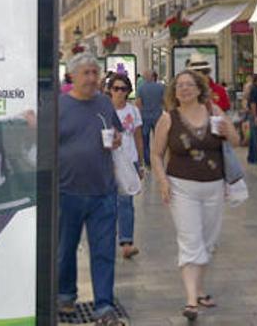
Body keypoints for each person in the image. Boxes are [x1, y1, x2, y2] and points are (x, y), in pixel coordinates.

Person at [151, 70, 240, 321]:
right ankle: (191, 300)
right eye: (179, 86)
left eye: (189, 85)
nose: (184, 89)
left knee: (208, 241)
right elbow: (156, 154)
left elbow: (237, 140)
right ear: (174, 91)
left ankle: (199, 289)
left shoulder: (215, 112)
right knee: (191, 239)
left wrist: (227, 132)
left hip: (213, 186)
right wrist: (162, 181)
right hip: (182, 187)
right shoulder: (168, 119)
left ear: (200, 89)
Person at [58, 53, 124, 325]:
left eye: (95, 73)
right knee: (65, 249)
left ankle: (104, 306)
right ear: (72, 76)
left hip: (103, 192)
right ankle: (64, 296)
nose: (92, 78)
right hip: (67, 190)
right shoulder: (59, 106)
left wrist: (117, 138)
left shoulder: (105, 104)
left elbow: (116, 132)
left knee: (104, 251)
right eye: (86, 73)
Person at [108, 73, 144, 259]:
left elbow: (139, 136)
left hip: (129, 160)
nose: (119, 92)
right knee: (107, 203)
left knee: (126, 202)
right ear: (110, 90)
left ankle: (127, 242)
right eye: (116, 88)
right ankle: (107, 238)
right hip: (107, 161)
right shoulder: (104, 110)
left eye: (123, 89)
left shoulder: (133, 111)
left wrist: (141, 163)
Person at [135, 69, 165, 168]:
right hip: (158, 117)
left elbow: (138, 103)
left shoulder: (141, 88)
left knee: (145, 140)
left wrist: (139, 114)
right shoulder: (161, 87)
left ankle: (148, 162)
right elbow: (164, 101)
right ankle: (159, 159)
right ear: (153, 77)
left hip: (145, 117)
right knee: (159, 139)